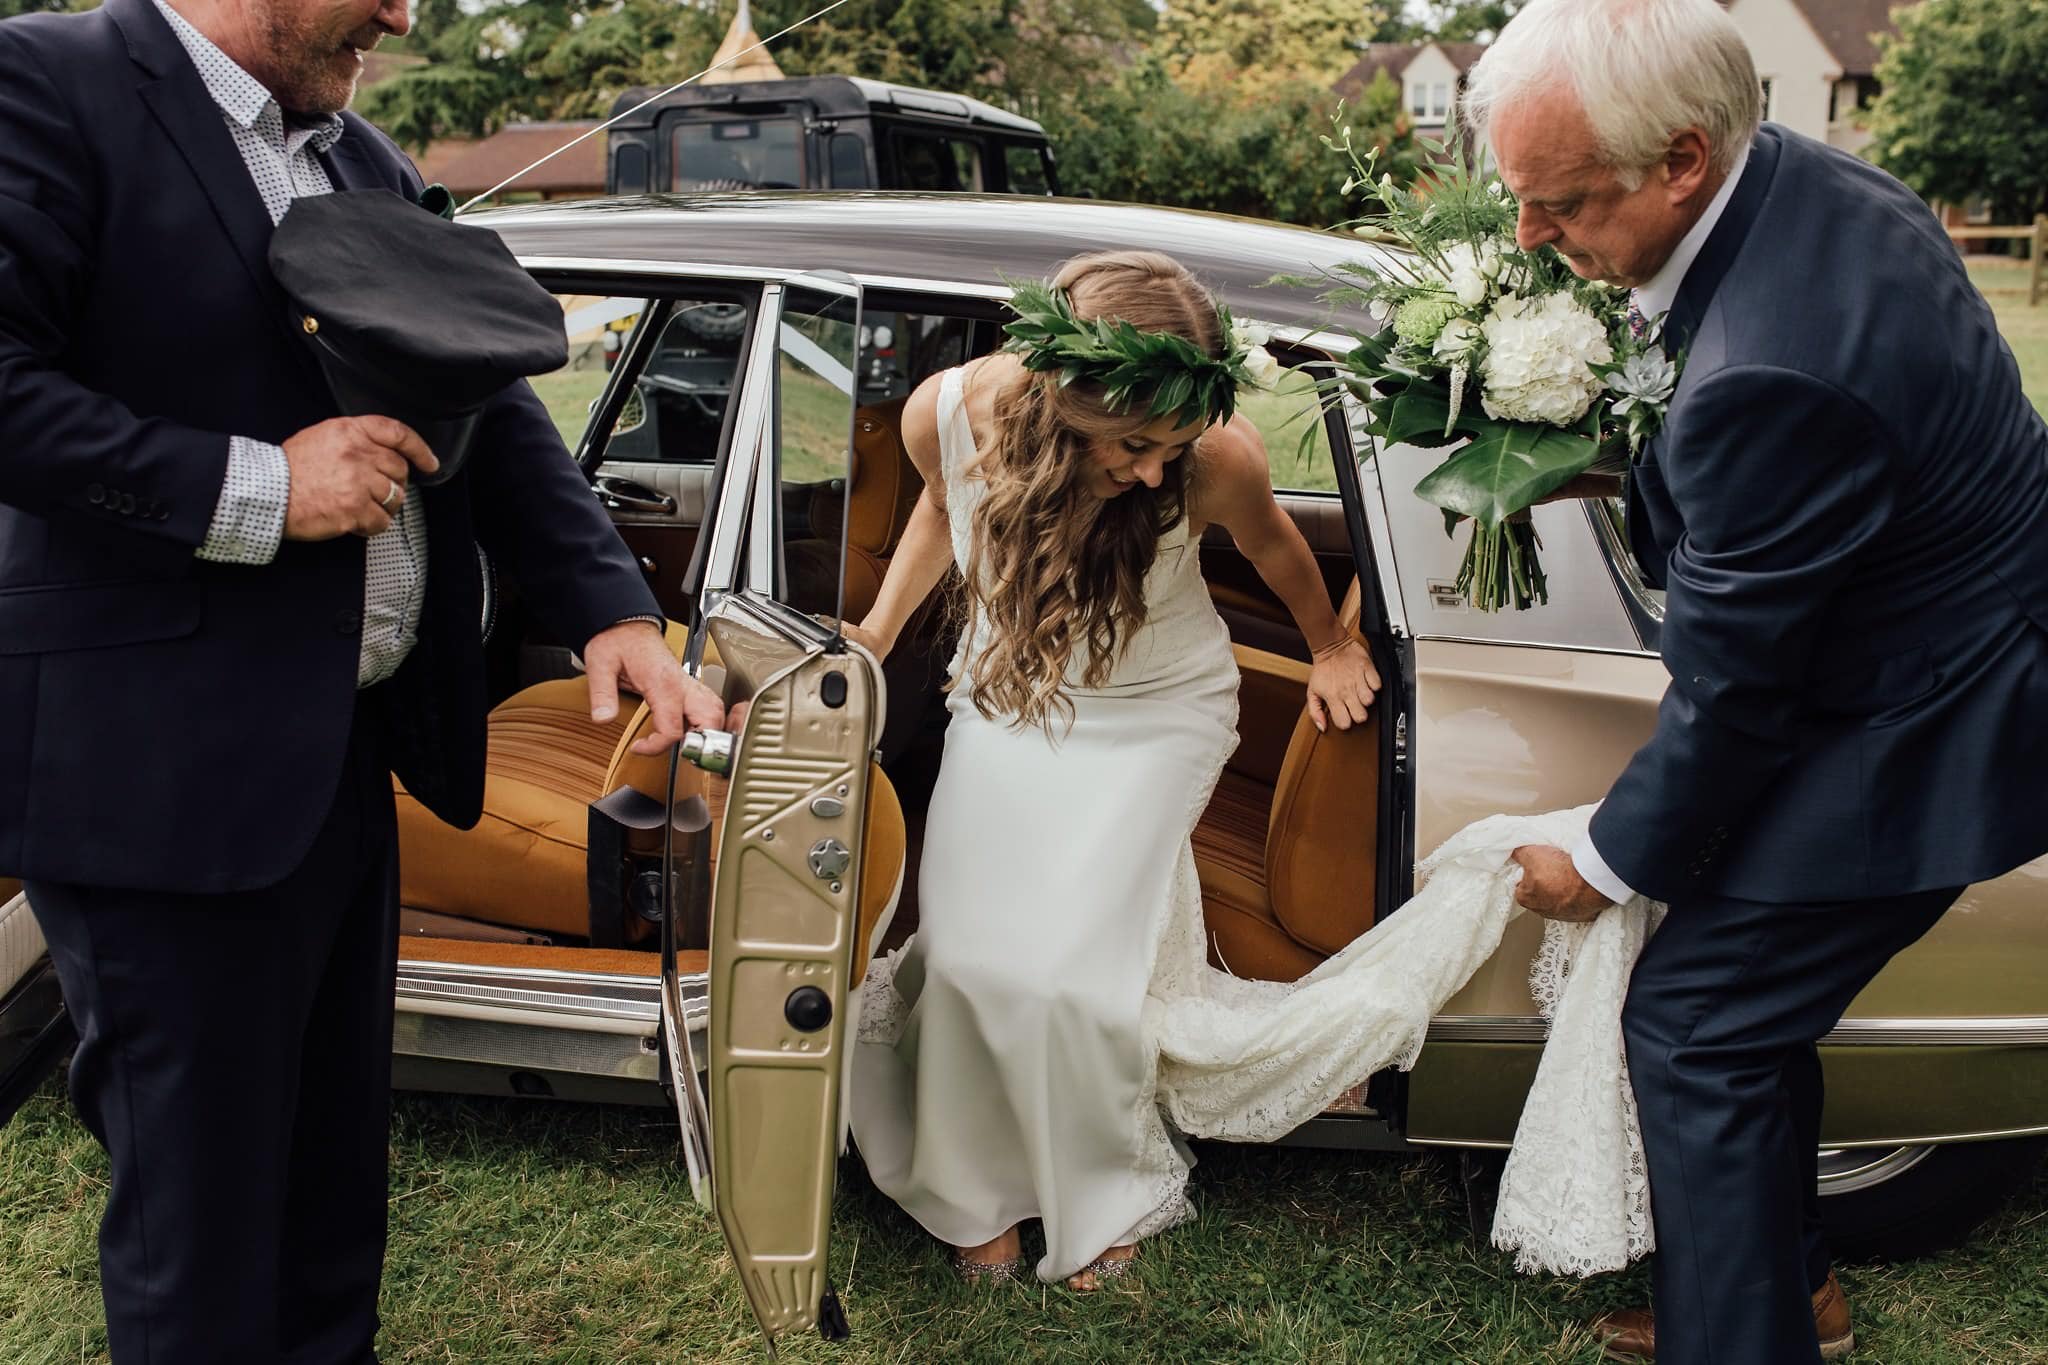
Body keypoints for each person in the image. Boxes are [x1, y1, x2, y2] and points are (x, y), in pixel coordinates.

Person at [0, 0, 723, 1360]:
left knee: (332, 1195)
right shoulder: (44, 83)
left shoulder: (361, 157)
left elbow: (494, 402)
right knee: (202, 1226)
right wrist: (261, 486)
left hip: (342, 758)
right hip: (157, 775)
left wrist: (609, 607)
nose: (400, 13)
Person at [1461, 0, 2048, 1360]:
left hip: (1927, 716)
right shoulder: (1806, 176)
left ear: (1680, 158)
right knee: (1733, 1003)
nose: (1532, 239)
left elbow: (1736, 689)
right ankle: (1797, 1292)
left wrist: (1602, 862)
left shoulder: (1769, 371)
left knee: (1697, 1028)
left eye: (1563, 205)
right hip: (1922, 638)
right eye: (1521, 199)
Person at [844, 250, 1381, 1290]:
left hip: (1157, 715)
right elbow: (934, 510)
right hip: (1009, 698)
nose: (1149, 471)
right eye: (1130, 445)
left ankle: (1096, 1188)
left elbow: (1271, 548)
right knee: (964, 961)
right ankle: (970, 1188)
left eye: (1167, 449)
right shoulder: (943, 413)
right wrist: (875, 626)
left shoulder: (1215, 455)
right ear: (1052, 397)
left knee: (1075, 977)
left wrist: (1328, 645)